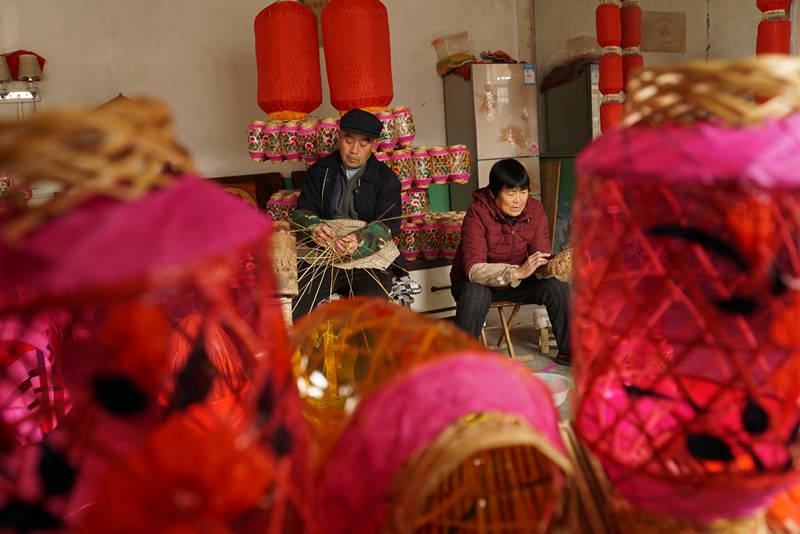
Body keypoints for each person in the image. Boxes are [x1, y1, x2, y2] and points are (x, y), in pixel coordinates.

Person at [449, 158, 572, 366]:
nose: (518, 200)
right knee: (474, 295)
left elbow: (539, 257)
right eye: (511, 192)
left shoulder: (535, 210)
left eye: (523, 191)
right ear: (494, 192)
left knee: (557, 287)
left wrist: (551, 267)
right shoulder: (477, 213)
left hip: (518, 281)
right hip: (479, 282)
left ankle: (570, 352)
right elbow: (474, 269)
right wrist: (516, 273)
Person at [291, 108, 402, 320]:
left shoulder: (386, 179)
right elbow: (302, 212)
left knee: (373, 312)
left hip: (367, 262)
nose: (354, 150)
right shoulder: (319, 172)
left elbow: (388, 225)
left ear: (373, 145)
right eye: (349, 140)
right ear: (339, 136)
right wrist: (314, 228)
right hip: (321, 259)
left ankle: (364, 354)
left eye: (364, 143)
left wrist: (359, 241)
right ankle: (307, 353)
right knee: (292, 306)